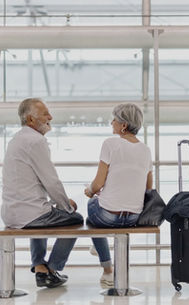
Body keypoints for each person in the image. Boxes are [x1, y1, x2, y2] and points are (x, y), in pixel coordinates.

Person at [1, 98, 84, 289]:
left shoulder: (17, 139)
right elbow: (51, 181)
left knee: (45, 213)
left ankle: (39, 266)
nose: (50, 117)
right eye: (45, 114)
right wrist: (67, 207)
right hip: (29, 213)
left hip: (12, 212)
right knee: (76, 221)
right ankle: (51, 269)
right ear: (31, 120)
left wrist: (59, 205)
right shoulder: (36, 141)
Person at [84, 103, 153, 287]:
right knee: (100, 210)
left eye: (114, 119)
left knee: (91, 208)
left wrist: (89, 191)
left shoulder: (110, 144)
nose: (111, 122)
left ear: (123, 125)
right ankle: (100, 247)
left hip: (107, 217)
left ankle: (107, 268)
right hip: (134, 217)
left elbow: (98, 184)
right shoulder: (146, 150)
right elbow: (148, 187)